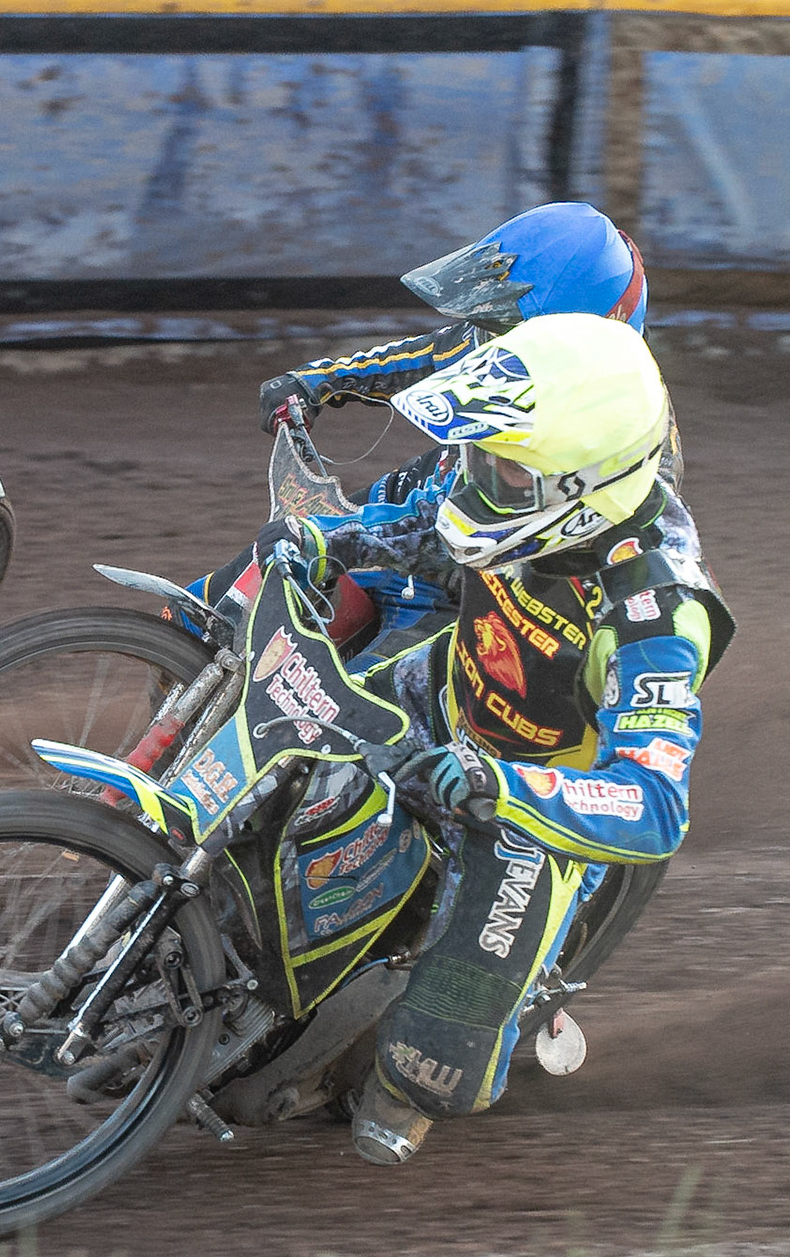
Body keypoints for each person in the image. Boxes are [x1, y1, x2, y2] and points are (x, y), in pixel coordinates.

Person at [260, 311, 731, 1163]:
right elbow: (426, 538)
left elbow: (656, 804)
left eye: (506, 468)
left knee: (425, 1070)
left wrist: (502, 789)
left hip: (530, 801)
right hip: (445, 688)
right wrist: (324, 542)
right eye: (481, 457)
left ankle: (392, 1083)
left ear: (581, 482)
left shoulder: (658, 613)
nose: (480, 479)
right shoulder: (519, 494)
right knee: (269, 767)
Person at [197, 202, 658, 652]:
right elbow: (431, 355)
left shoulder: (623, 439)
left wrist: (338, 538)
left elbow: (467, 531)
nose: (487, 341)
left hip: (485, 583)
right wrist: (318, 381)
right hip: (424, 499)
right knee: (229, 588)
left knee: (348, 695)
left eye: (503, 326)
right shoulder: (510, 344)